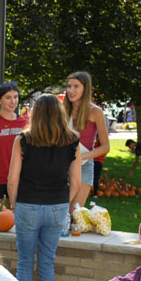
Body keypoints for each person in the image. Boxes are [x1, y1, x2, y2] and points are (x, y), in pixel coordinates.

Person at [6, 94, 81, 281]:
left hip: (28, 205)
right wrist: (62, 205)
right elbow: (77, 182)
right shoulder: (73, 141)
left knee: (25, 263)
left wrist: (15, 206)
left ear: (35, 113)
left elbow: (12, 180)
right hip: (57, 207)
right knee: (47, 263)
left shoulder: (23, 140)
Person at [63, 71, 110, 208]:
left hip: (84, 165)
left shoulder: (95, 112)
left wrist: (81, 157)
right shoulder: (62, 110)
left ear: (85, 88)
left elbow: (105, 146)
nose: (71, 90)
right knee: (59, 212)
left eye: (76, 86)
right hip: (61, 165)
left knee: (75, 214)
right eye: (69, 86)